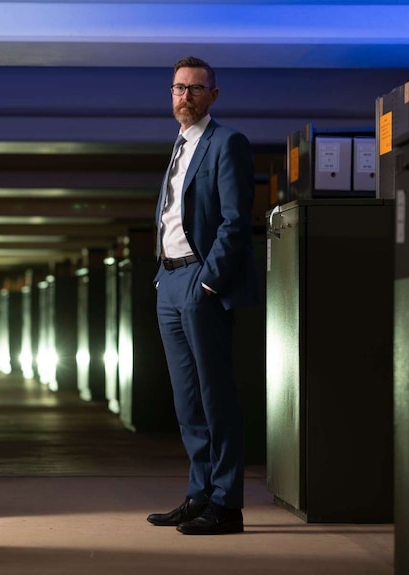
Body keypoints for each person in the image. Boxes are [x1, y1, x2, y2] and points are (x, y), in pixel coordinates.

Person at [147, 56, 258, 535]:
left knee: (215, 397)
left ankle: (227, 503)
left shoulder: (226, 142)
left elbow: (236, 222)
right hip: (169, 281)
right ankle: (199, 493)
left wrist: (209, 281)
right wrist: (162, 276)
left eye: (194, 89)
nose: (184, 96)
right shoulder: (178, 146)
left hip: (199, 281)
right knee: (187, 399)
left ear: (213, 94)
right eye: (177, 88)